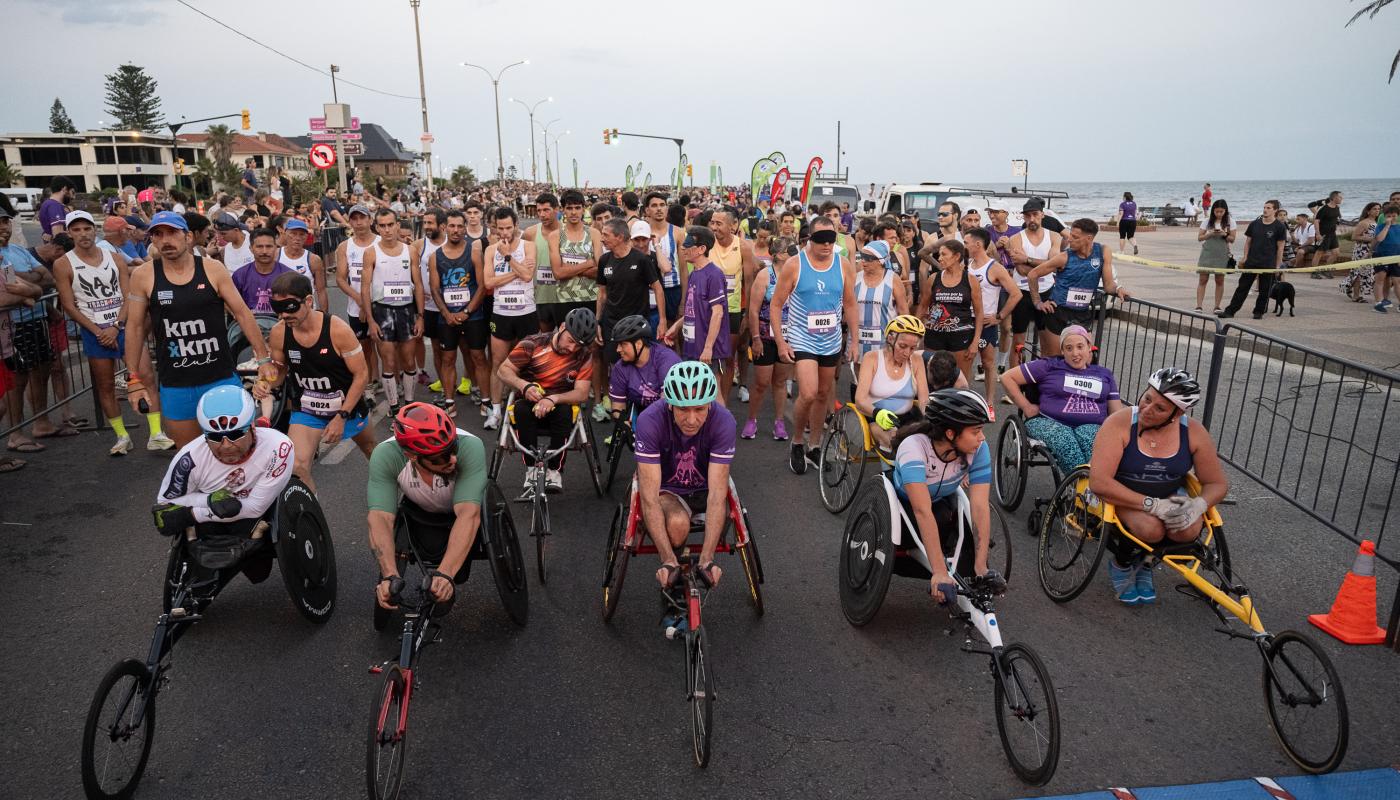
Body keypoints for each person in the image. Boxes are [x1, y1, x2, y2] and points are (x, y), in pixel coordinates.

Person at [124, 211, 273, 449]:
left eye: (172, 233)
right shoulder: (144, 275)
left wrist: (263, 357)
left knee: (237, 449)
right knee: (191, 456)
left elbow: (243, 314)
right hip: (176, 383)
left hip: (219, 377)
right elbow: (134, 328)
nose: (165, 240)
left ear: (188, 237)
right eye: (158, 235)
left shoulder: (213, 269)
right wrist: (133, 378)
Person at [1088, 368, 1229, 605]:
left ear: (1178, 413)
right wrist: (1152, 505)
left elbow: (1217, 483)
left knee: (1188, 529)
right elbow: (1099, 482)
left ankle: (1146, 563)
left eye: (1160, 408)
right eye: (1147, 398)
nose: (1147, 409)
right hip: (1122, 493)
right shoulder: (1119, 423)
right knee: (1150, 529)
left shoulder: (1194, 432)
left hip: (1169, 493)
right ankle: (1121, 564)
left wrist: (1198, 505)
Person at [149, 386, 294, 595]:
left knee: (259, 573)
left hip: (256, 519)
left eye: (235, 434)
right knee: (200, 587)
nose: (226, 445)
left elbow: (254, 508)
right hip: (211, 526)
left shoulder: (278, 446)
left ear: (252, 427)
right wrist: (211, 501)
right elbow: (165, 509)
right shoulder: (188, 459)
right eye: (215, 437)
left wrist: (197, 511)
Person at [53, 210, 170, 454]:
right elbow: (68, 304)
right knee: (105, 385)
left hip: (123, 326)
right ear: (69, 233)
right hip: (93, 330)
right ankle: (121, 436)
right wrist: (98, 330)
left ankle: (156, 433)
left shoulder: (115, 259)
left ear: (94, 231)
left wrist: (116, 325)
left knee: (146, 376)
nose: (83, 234)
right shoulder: (63, 264)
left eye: (87, 228)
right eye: (76, 230)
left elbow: (130, 295)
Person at [257, 272, 374, 492]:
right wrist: (266, 382)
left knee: (371, 451)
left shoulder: (337, 330)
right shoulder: (279, 332)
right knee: (298, 466)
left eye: (290, 307)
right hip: (307, 408)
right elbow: (280, 372)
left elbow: (361, 375)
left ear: (308, 301)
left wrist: (342, 416)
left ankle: (397, 497)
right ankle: (313, 520)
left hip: (346, 406)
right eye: (277, 308)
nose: (283, 315)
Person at [366, 403, 488, 611]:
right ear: (412, 456)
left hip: (461, 512)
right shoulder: (385, 455)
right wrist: (389, 575)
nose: (453, 459)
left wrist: (445, 574)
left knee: (456, 571)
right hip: (421, 513)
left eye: (452, 448)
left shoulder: (471, 446)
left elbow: (469, 514)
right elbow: (380, 517)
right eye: (441, 457)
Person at [633, 361, 736, 602]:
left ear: (710, 404)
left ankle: (697, 563)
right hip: (669, 489)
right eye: (682, 409)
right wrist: (668, 561)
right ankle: (674, 584)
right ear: (669, 404)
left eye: (699, 409)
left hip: (705, 486)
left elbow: (717, 496)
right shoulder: (650, 421)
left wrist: (707, 559)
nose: (691, 419)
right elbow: (649, 499)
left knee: (720, 505)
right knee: (678, 526)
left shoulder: (724, 422)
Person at [892, 389, 1003, 604]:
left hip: (940, 502)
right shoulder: (913, 448)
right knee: (930, 518)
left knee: (945, 517)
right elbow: (921, 511)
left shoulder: (979, 450)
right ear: (951, 433)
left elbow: (979, 506)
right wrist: (940, 572)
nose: (982, 438)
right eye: (976, 431)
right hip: (902, 509)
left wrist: (980, 566)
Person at [768, 217, 858, 474]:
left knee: (822, 394)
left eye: (832, 239)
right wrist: (780, 340)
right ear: (808, 239)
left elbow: (850, 304)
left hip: (830, 339)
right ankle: (798, 441)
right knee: (808, 392)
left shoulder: (843, 265)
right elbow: (776, 304)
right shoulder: (795, 265)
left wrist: (854, 340)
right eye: (821, 240)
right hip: (802, 336)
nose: (827, 245)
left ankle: (815, 446)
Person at [495, 307, 597, 493]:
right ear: (563, 327)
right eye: (571, 341)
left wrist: (554, 399)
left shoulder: (584, 355)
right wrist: (524, 386)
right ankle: (531, 469)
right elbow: (503, 370)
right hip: (529, 399)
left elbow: (582, 393)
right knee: (521, 410)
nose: (572, 348)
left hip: (559, 402)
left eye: (578, 346)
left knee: (565, 412)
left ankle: (554, 471)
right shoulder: (533, 343)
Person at [1001, 325, 1123, 476]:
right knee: (1065, 441)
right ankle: (1081, 487)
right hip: (1048, 422)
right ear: (1062, 351)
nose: (1075, 353)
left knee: (1095, 444)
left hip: (1091, 425)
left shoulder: (1104, 374)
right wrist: (1026, 407)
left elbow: (1117, 412)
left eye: (1080, 347)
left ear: (1089, 347)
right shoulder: (1049, 366)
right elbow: (1007, 377)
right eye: (1069, 348)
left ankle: (1088, 488)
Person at [1027, 218, 1129, 355]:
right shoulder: (1064, 257)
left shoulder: (1103, 251)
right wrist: (1037, 302)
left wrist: (1118, 289)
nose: (1069, 240)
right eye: (1070, 235)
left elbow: (1108, 284)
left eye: (1075, 237)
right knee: (1054, 361)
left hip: (1083, 314)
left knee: (1083, 359)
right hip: (1058, 312)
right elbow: (1033, 274)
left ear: (1089, 238)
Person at [361, 208, 425, 413]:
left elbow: (419, 284)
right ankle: (394, 407)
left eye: (391, 224)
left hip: (406, 310)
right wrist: (370, 320)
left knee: (408, 360)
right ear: (377, 227)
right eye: (382, 226)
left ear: (398, 225)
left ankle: (409, 405)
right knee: (388, 361)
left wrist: (420, 316)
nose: (387, 230)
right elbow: (365, 288)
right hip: (382, 310)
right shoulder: (371, 252)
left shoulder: (410, 250)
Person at [428, 209, 490, 416]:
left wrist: (466, 311)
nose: (456, 230)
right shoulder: (435, 256)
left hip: (473, 315)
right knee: (447, 359)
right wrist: (446, 314)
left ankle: (486, 400)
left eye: (459, 226)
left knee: (479, 357)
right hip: (446, 316)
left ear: (465, 228)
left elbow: (482, 286)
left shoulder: (474, 252)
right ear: (445, 227)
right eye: (452, 226)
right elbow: (434, 289)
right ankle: (449, 401)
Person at [483, 207, 538, 430]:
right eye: (500, 228)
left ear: (516, 225)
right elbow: (488, 283)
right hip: (501, 313)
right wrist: (516, 270)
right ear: (495, 227)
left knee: (529, 363)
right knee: (498, 362)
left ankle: (526, 408)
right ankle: (495, 410)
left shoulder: (528, 246)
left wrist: (508, 259)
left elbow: (528, 276)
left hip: (526, 312)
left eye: (508, 228)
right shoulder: (490, 250)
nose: (504, 233)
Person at [998, 200, 1062, 372]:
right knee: (1019, 343)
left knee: (1047, 343)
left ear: (1042, 214)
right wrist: (1045, 264)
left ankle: (1044, 382)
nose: (1032, 219)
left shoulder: (1055, 237)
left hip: (1047, 292)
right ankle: (1015, 384)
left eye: (1035, 214)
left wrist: (1027, 259)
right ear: (1023, 217)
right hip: (1022, 293)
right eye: (1028, 216)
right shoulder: (1016, 239)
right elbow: (1022, 270)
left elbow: (1054, 265)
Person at [964, 228, 1020, 412]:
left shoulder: (994, 267)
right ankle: (966, 401)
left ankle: (989, 404)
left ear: (977, 244)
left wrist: (999, 317)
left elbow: (1015, 294)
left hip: (986, 322)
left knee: (988, 363)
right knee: (965, 362)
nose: (964, 246)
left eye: (966, 243)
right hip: (966, 320)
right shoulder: (967, 264)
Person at [744, 235, 793, 441]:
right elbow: (753, 311)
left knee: (780, 381)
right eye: (791, 250)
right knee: (761, 382)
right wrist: (755, 338)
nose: (795, 253)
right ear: (780, 254)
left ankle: (779, 422)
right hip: (764, 336)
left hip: (788, 336)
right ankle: (751, 420)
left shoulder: (795, 274)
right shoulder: (765, 276)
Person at [855, 315, 929, 450]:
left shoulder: (916, 360)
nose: (907, 353)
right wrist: (877, 413)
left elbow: (924, 399)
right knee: (894, 439)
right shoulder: (872, 358)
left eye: (912, 348)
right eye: (903, 346)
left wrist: (929, 418)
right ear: (890, 339)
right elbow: (860, 400)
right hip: (876, 416)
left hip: (907, 417)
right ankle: (889, 470)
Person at [668, 226, 731, 386]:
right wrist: (676, 327)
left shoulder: (714, 275)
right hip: (692, 346)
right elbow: (693, 310)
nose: (683, 248)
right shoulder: (694, 274)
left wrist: (708, 348)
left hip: (707, 350)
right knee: (696, 395)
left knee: (711, 397)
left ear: (702, 249)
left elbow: (718, 313)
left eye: (688, 244)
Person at [707, 208, 758, 403]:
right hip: (709, 311)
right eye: (713, 223)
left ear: (732, 226)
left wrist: (747, 314)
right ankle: (708, 400)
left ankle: (723, 405)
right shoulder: (707, 244)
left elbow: (749, 281)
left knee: (728, 359)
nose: (714, 227)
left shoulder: (743, 246)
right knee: (709, 358)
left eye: (719, 224)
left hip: (733, 310)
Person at [919, 239, 982, 384]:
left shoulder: (971, 280)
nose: (939, 258)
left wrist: (975, 342)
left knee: (961, 379)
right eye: (939, 254)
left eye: (943, 254)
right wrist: (916, 333)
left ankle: (958, 406)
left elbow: (979, 313)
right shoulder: (933, 278)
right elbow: (923, 307)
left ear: (957, 256)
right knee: (931, 377)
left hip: (961, 335)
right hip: (934, 335)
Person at [333, 204, 381, 393]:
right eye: (355, 219)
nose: (359, 223)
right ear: (350, 222)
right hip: (356, 306)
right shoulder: (345, 246)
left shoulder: (380, 242)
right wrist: (360, 300)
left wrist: (368, 302)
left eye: (363, 218)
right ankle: (371, 381)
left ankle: (390, 380)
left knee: (386, 347)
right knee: (365, 346)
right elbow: (340, 278)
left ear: (370, 220)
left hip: (381, 303)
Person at [1219, 200, 1288, 320]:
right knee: (1242, 287)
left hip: (1268, 263)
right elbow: (1248, 242)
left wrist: (1278, 266)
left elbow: (1280, 248)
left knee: (1264, 290)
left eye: (1269, 208)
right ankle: (1230, 311)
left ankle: (1258, 311)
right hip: (1252, 261)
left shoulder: (1279, 227)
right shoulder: (1254, 224)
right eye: (1264, 207)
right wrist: (1245, 257)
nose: (1265, 209)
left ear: (1275, 210)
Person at [607, 314, 681, 416]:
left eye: (623, 344)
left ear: (638, 344)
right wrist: (622, 422)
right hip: (642, 412)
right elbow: (618, 407)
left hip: (670, 413)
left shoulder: (666, 360)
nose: (618, 349)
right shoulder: (620, 368)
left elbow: (668, 404)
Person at [852, 240, 909, 365]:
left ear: (880, 260)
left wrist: (903, 338)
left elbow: (903, 311)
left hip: (884, 340)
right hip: (859, 339)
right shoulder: (855, 278)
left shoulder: (893, 279)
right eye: (862, 256)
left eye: (868, 258)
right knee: (858, 376)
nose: (863, 261)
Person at [411, 209, 447, 400]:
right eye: (424, 223)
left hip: (453, 305)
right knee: (437, 349)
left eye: (430, 223)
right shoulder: (419, 245)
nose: (426, 227)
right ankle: (444, 387)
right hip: (431, 307)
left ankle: (472, 384)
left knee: (464, 349)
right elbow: (414, 275)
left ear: (442, 225)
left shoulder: (453, 241)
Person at [528, 193, 562, 333]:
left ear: (556, 209)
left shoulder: (568, 231)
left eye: (546, 210)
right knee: (544, 342)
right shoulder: (530, 233)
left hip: (563, 297)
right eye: (539, 211)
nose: (542, 214)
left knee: (567, 342)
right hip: (541, 297)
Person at [275, 218, 327, 311]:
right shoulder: (275, 255)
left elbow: (321, 290)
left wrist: (325, 317)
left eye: (302, 234)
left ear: (306, 236)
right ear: (285, 233)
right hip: (282, 312)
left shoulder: (314, 259)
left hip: (307, 313)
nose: (297, 238)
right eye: (293, 233)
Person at [1195, 200, 1235, 314]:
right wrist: (1210, 233)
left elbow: (1232, 239)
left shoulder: (1230, 222)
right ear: (1213, 211)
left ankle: (1217, 306)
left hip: (1222, 253)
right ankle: (1199, 306)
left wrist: (1224, 234)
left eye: (1221, 211)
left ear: (1225, 211)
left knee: (1220, 280)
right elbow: (1200, 237)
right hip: (1207, 252)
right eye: (1216, 211)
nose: (1219, 214)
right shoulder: (1207, 221)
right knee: (1203, 279)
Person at [1341, 201, 1379, 302]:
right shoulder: (1364, 223)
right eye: (1374, 209)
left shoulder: (1376, 222)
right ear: (1368, 211)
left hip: (1371, 250)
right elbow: (1354, 236)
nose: (1377, 211)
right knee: (1358, 272)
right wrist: (1371, 239)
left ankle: (1349, 287)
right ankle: (1355, 295)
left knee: (1367, 272)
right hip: (1361, 250)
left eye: (1378, 209)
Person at [1372, 203, 1400, 312]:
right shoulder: (1380, 226)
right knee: (1380, 278)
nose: (1391, 218)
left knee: (1397, 280)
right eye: (1389, 215)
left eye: (1394, 215)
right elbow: (1379, 239)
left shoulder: (1399, 227)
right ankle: (1378, 303)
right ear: (1385, 216)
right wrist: (1387, 226)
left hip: (1395, 256)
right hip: (1381, 255)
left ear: (1397, 216)